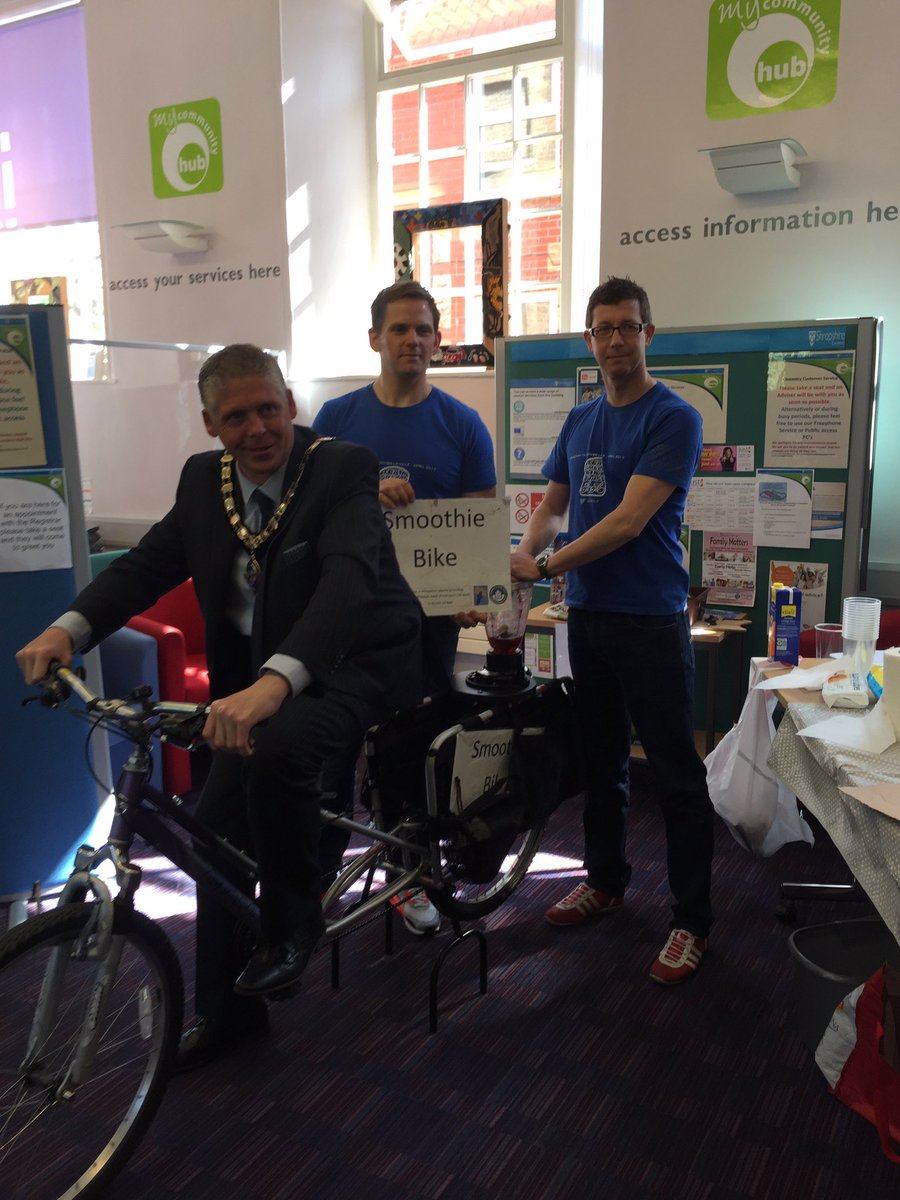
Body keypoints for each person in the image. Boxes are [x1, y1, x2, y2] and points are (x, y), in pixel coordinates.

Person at [16, 344, 422, 1067]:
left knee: (284, 747)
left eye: (269, 408)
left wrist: (274, 683)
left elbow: (347, 583)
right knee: (212, 840)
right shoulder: (206, 482)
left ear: (290, 404)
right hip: (255, 683)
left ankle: (293, 928)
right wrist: (66, 629)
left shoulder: (340, 467)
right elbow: (148, 565)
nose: (257, 427)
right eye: (236, 416)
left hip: (357, 659)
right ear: (210, 423)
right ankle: (229, 1017)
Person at [510, 276, 714, 986]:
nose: (617, 339)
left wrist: (543, 565)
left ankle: (692, 919)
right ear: (590, 339)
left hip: (651, 622)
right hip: (588, 618)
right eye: (604, 328)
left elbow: (627, 522)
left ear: (648, 335)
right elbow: (551, 503)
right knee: (602, 764)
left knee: (677, 775)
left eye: (629, 326)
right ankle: (604, 880)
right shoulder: (580, 420)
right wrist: (526, 551)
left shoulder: (674, 418)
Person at [313, 279, 497, 935]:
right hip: (346, 617)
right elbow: (309, 516)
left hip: (428, 622)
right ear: (374, 339)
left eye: (424, 329)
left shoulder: (462, 423)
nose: (413, 340)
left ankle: (407, 875)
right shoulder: (336, 420)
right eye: (399, 329)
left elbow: (480, 519)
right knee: (333, 749)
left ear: (438, 341)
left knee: (414, 750)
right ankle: (316, 883)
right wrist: (368, 490)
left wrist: (479, 591)